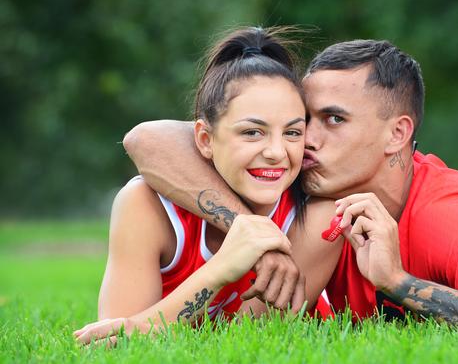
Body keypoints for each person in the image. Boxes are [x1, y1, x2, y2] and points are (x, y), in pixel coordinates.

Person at [123, 39, 458, 331]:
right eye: (304, 119)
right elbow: (149, 139)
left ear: (397, 133)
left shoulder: (450, 215)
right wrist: (253, 236)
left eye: (333, 120)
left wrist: (398, 283)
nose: (303, 141)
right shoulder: (301, 173)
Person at [74, 27, 343, 345]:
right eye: (252, 132)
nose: (276, 152)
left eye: (293, 133)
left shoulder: (319, 221)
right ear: (204, 139)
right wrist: (223, 267)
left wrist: (141, 327)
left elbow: (249, 345)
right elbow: (112, 343)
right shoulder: (145, 205)